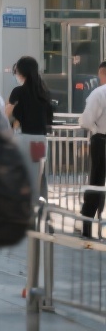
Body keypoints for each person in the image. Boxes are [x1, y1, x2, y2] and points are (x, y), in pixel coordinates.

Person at [6, 56, 55, 202]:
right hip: (40, 140)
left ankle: (22, 209)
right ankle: (36, 208)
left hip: (23, 139)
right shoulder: (44, 92)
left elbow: (6, 114)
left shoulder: (18, 92)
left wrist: (14, 121)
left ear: (20, 72)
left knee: (20, 175)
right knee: (37, 176)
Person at [79, 61, 106, 239]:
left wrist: (94, 129)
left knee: (96, 182)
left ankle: (87, 226)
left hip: (102, 140)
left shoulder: (99, 93)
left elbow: (86, 120)